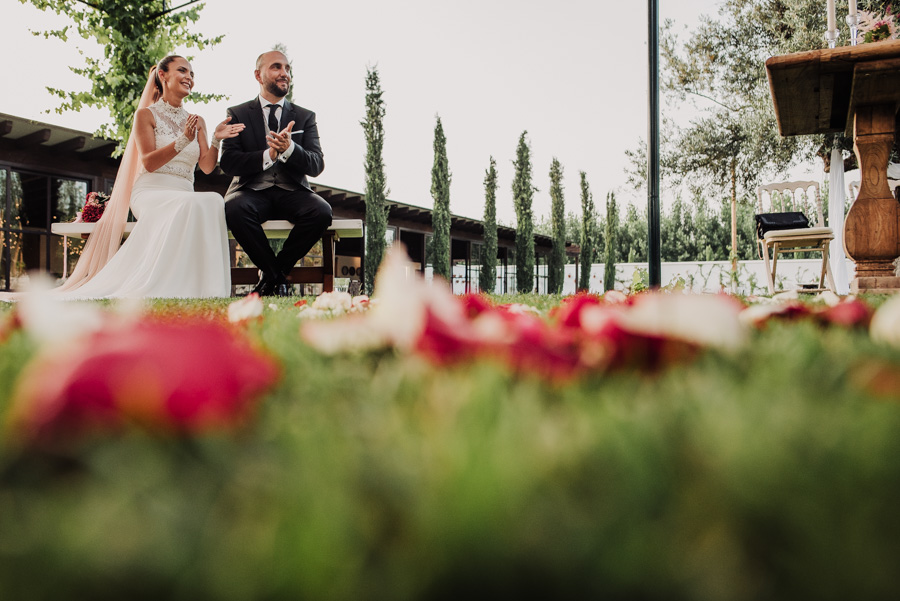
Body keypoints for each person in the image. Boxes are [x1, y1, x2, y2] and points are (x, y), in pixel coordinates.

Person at [56, 55, 244, 299]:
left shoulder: (198, 121)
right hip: (151, 191)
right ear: (163, 75)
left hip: (184, 193)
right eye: (183, 71)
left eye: (192, 74)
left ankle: (207, 290)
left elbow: (207, 167)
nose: (189, 77)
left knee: (213, 200)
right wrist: (182, 141)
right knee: (199, 202)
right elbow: (149, 162)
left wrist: (217, 139)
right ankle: (165, 285)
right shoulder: (146, 115)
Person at [220, 49, 332, 297]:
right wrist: (267, 156)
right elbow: (228, 162)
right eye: (277, 67)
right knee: (234, 208)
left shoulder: (305, 116)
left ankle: (272, 274)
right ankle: (277, 278)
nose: (285, 74)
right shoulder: (237, 113)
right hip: (251, 191)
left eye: (287, 68)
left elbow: (316, 164)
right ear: (258, 75)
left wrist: (290, 149)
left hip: (292, 191)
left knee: (322, 211)